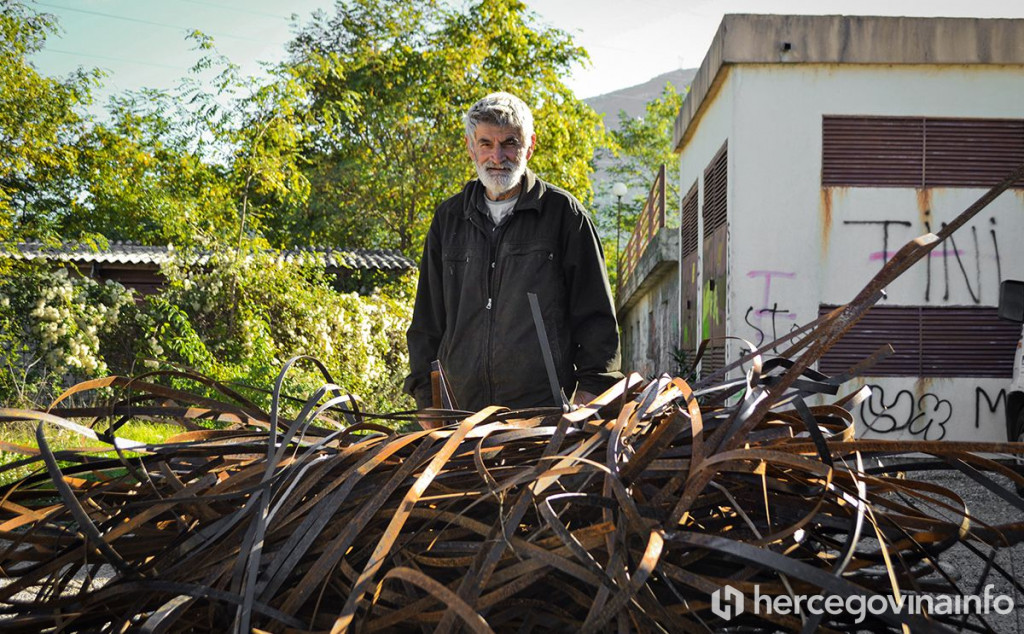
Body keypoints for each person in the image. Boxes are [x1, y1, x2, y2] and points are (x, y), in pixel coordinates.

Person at [403, 91, 622, 423]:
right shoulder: (449, 219)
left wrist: (590, 394)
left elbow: (596, 319)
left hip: (542, 417)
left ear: (529, 146)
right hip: (460, 417)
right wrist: (427, 400)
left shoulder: (564, 216)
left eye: (509, 143)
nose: (497, 156)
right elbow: (427, 321)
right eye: (486, 144)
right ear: (470, 147)